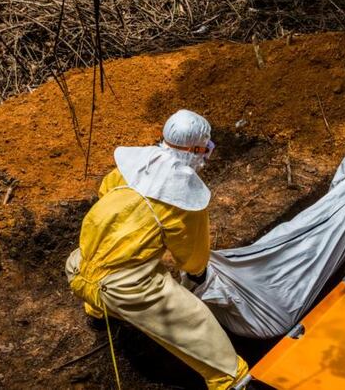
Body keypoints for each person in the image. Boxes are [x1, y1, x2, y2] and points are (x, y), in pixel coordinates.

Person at [64, 110, 248, 390]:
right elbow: (191, 255)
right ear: (196, 150)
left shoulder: (130, 168)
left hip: (77, 267)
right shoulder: (184, 198)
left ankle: (98, 314)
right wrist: (198, 274)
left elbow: (105, 194)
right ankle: (231, 379)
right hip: (123, 289)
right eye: (206, 148)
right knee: (196, 321)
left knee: (108, 262)